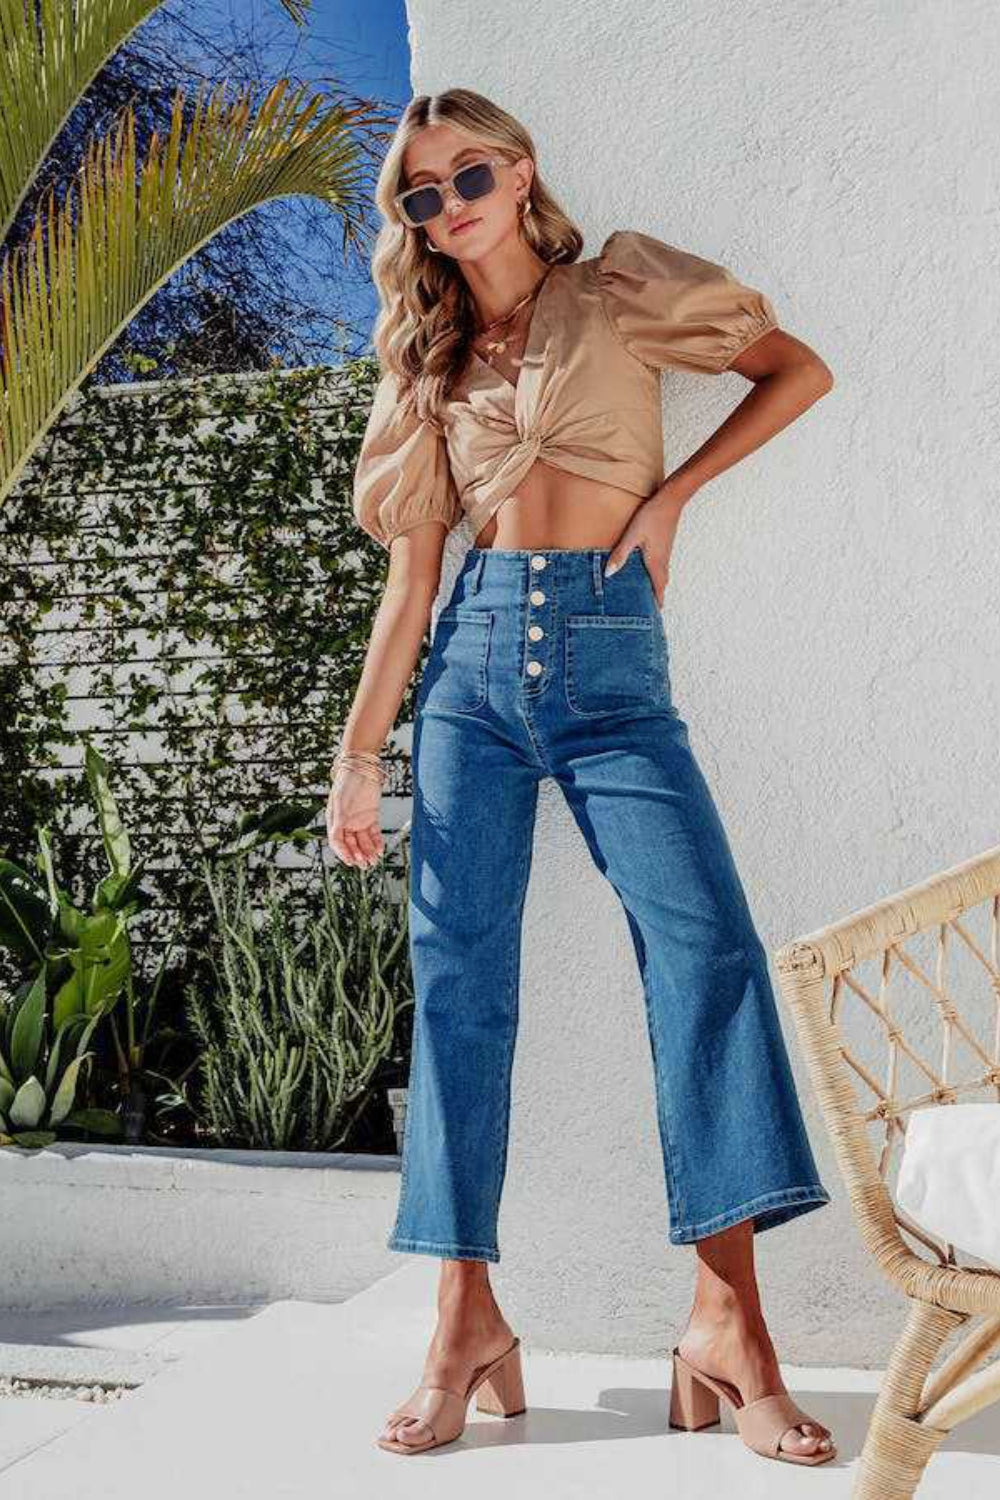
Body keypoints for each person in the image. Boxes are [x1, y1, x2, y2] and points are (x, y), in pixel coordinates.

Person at [328, 86, 837, 1467]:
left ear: (519, 170)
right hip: (473, 672)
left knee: (708, 953)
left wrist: (672, 499)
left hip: (614, 662)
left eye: (467, 174)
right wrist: (360, 758)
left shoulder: (620, 289)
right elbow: (412, 583)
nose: (448, 205)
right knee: (459, 989)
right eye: (421, 193)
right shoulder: (431, 365)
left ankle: (728, 1323)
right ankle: (464, 1322)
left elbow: (796, 372)